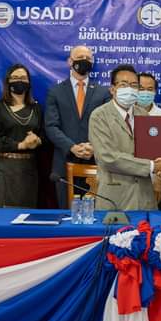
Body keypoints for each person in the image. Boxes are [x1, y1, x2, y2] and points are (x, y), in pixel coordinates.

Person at [88, 65, 161, 211]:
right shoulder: (99, 116)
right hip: (115, 198)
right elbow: (108, 158)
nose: (129, 89)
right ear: (112, 89)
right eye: (123, 84)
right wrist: (152, 166)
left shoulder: (143, 115)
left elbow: (152, 152)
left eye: (134, 85)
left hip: (145, 197)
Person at [45, 45, 111, 208]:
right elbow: (51, 126)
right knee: (67, 212)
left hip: (95, 161)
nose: (84, 61)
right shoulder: (55, 92)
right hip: (65, 163)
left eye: (88, 58)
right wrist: (72, 147)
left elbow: (108, 126)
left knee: (96, 213)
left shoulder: (103, 93)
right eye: (80, 57)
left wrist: (94, 147)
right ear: (70, 61)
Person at [0, 64, 45, 208]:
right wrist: (21, 145)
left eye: (23, 78)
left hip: (29, 169)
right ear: (8, 82)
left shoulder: (36, 108)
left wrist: (37, 140)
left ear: (29, 82)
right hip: (5, 168)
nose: (19, 81)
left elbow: (45, 135)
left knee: (28, 214)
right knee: (3, 215)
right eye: (15, 78)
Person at [136, 72, 161, 204]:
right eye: (141, 88)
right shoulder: (127, 113)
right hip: (130, 182)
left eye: (149, 89)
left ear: (155, 91)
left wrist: (160, 178)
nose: (145, 92)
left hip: (157, 182)